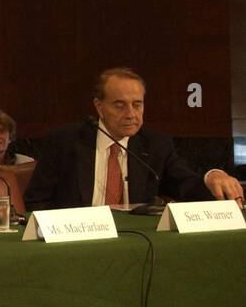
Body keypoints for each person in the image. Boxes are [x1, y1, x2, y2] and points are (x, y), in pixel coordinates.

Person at [24, 67, 243, 211]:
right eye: (119, 105)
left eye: (137, 104)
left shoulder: (156, 145)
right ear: (99, 106)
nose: (131, 113)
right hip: (78, 242)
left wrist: (213, 176)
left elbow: (187, 186)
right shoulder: (65, 142)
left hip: (137, 242)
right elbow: (36, 201)